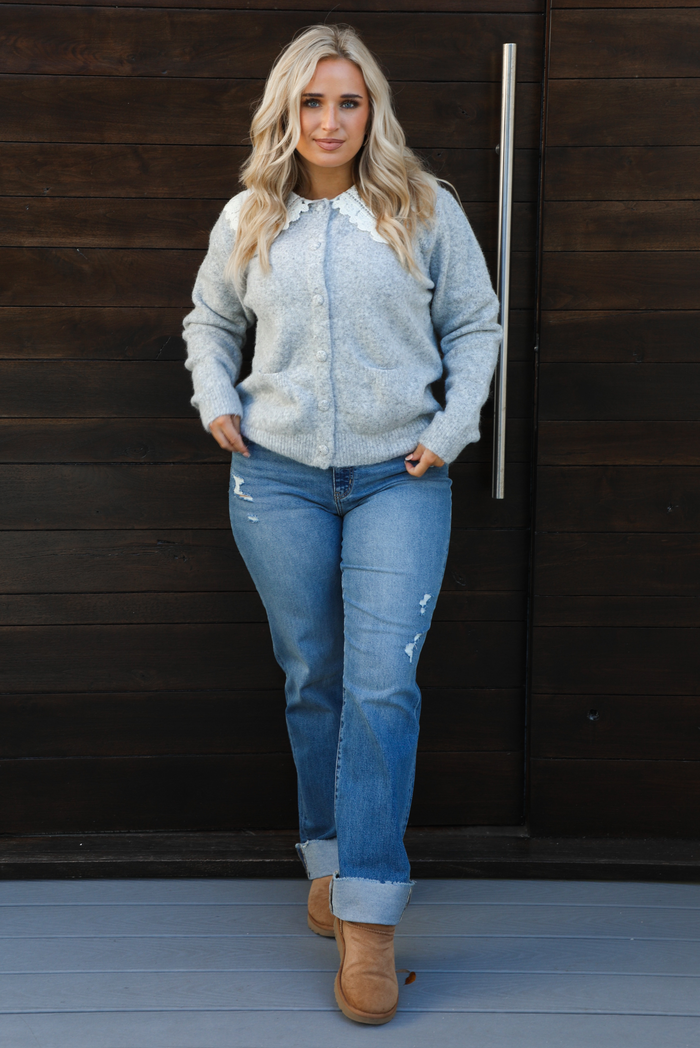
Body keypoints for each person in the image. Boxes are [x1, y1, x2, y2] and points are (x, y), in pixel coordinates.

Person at [183, 23, 501, 1026]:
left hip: (397, 477)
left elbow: (474, 322)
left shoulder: (422, 207)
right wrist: (213, 393)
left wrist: (451, 430)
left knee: (381, 684)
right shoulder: (249, 215)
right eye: (312, 102)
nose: (329, 120)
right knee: (312, 672)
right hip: (273, 476)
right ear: (287, 111)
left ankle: (369, 919)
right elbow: (209, 318)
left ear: (373, 112)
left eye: (348, 102)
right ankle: (323, 856)